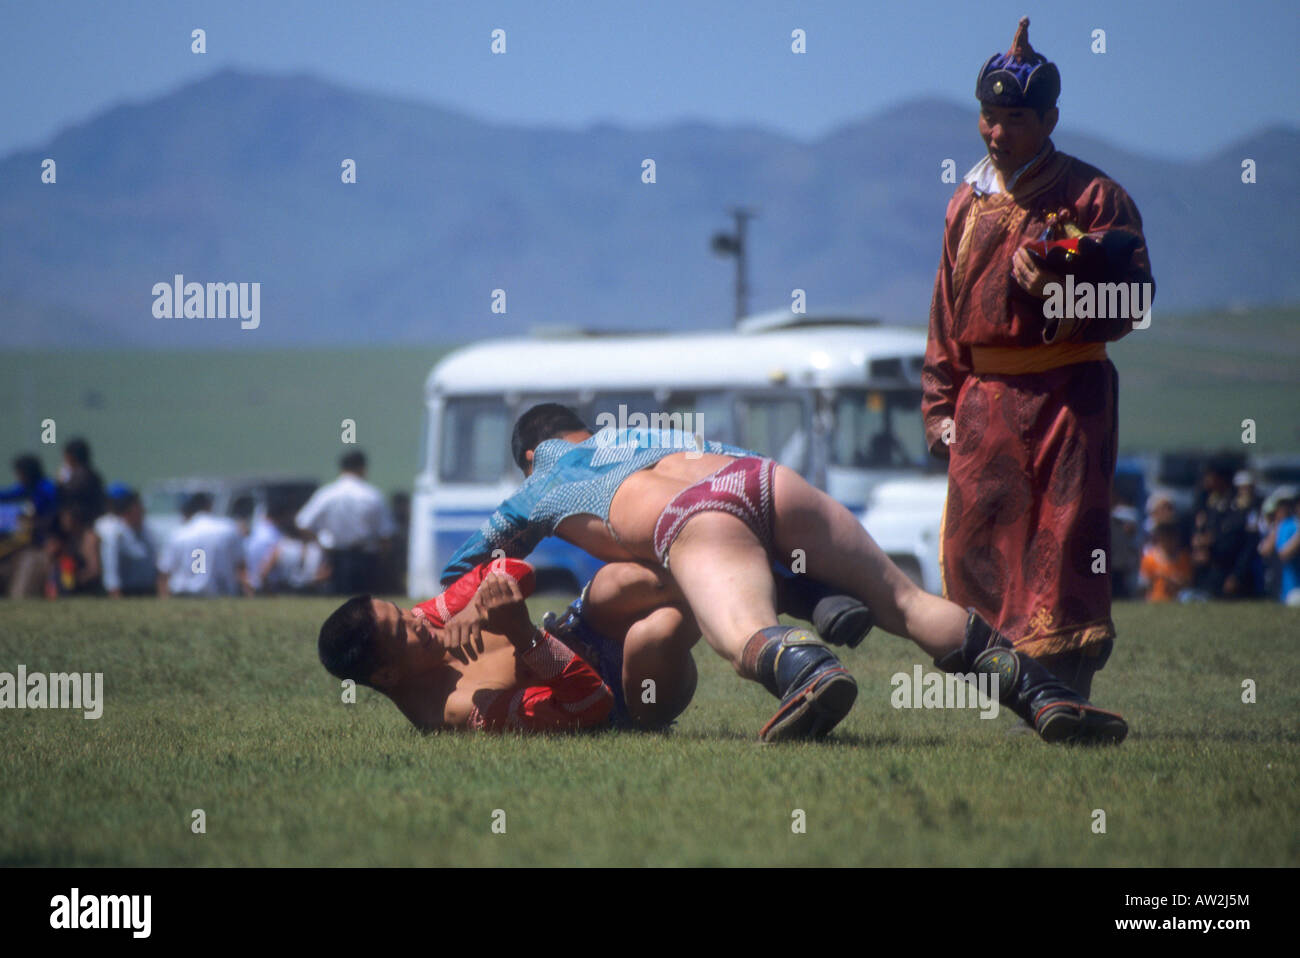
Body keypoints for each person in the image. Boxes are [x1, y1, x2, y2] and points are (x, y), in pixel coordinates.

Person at [439, 403, 1129, 744]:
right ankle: (1040, 696)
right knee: (908, 601)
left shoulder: (540, 482)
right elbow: (738, 473)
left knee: (742, 636)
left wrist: (464, 607)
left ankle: (810, 672)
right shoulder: (646, 434)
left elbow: (461, 564)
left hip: (695, 516)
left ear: (531, 454)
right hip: (762, 477)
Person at [921, 17, 1154, 699]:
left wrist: (1060, 285)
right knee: (979, 549)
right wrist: (939, 406)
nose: (997, 132)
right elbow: (944, 316)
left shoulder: (1095, 197)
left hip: (1068, 399)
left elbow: (1132, 305)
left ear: (1050, 118)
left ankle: (1064, 686)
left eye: (1014, 118)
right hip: (984, 402)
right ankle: (1005, 683)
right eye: (988, 117)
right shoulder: (966, 202)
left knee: (1065, 543)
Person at [319, 559, 617, 732]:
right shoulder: (461, 709)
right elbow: (593, 704)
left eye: (401, 610)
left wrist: (476, 605)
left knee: (619, 581)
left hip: (586, 624)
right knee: (655, 628)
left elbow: (516, 569)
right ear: (386, 676)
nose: (415, 619)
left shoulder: (429, 621)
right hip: (619, 683)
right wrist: (526, 636)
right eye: (400, 630)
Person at [295, 451, 396, 594]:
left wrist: (321, 543)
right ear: (363, 468)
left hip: (336, 556)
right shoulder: (373, 495)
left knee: (338, 603)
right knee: (364, 603)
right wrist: (383, 560)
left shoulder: (327, 494)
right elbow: (386, 534)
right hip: (365, 557)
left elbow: (302, 523)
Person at [157, 492, 245, 597]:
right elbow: (241, 568)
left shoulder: (177, 535)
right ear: (209, 506)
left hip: (184, 596)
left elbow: (164, 574)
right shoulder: (228, 528)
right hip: (223, 595)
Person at [0, 454, 59, 597]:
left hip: (44, 541)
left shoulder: (45, 489)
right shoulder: (30, 487)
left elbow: (50, 515)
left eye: (19, 474)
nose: (18, 477)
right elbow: (10, 494)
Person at [95, 485, 158, 597]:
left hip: (148, 590)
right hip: (127, 591)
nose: (142, 511)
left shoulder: (146, 531)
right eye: (138, 507)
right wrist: (114, 591)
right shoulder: (115, 532)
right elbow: (111, 565)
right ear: (127, 511)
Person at [1138, 522, 1192, 603]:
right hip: (1155, 600)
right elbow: (1144, 585)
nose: (1168, 540)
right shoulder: (1149, 558)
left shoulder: (1184, 558)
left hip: (1178, 601)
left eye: (1170, 536)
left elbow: (1188, 582)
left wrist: (1176, 582)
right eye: (1164, 536)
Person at [57, 438, 106, 524]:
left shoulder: (79, 479)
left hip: (82, 523)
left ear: (71, 456)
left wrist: (61, 483)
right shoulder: (93, 475)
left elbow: (67, 497)